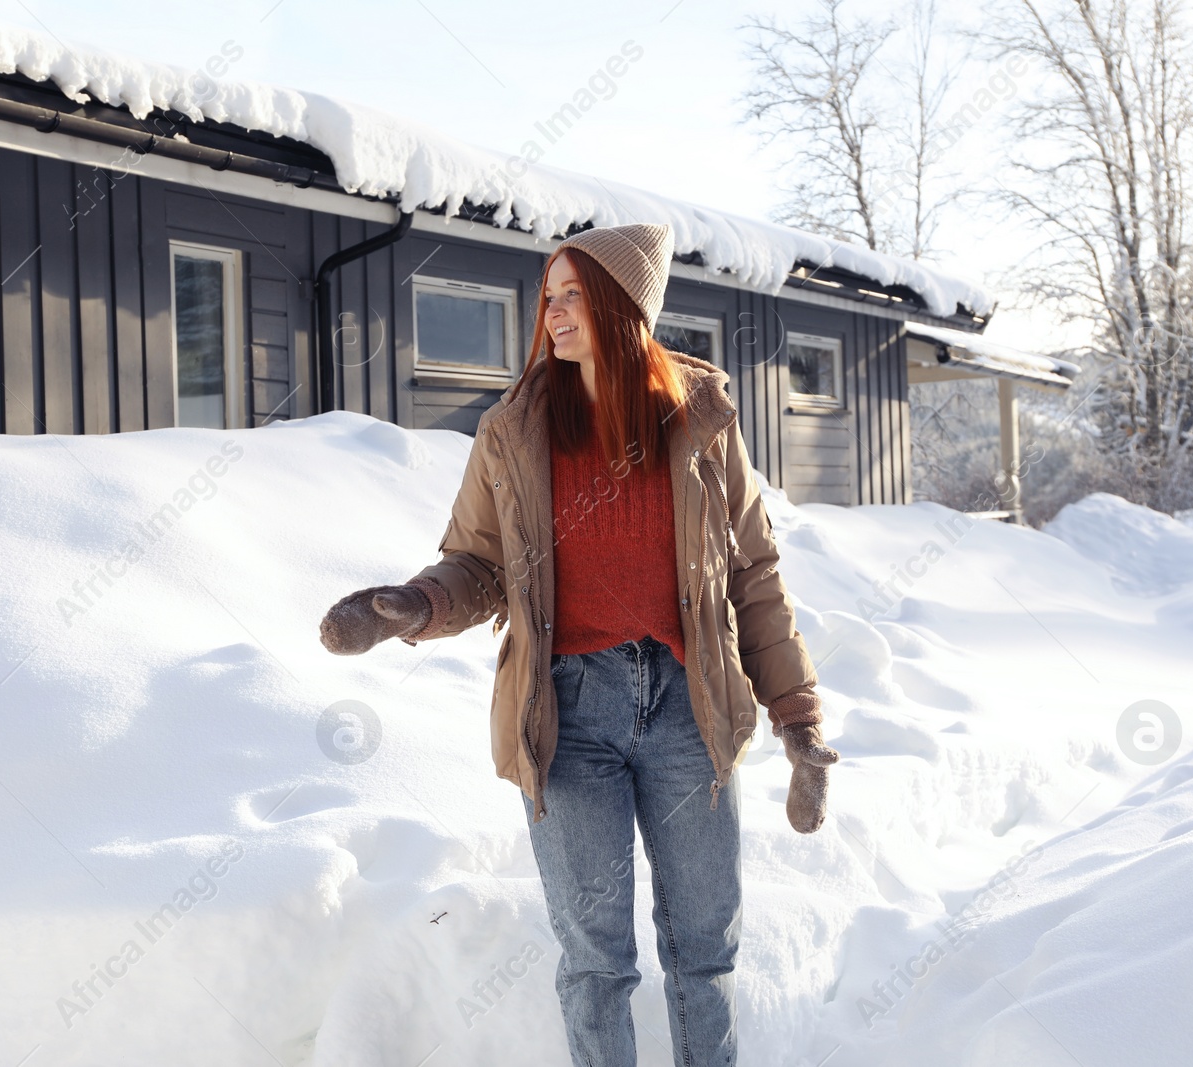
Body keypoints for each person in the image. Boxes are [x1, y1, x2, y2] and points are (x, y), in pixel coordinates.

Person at [319, 222, 839, 1067]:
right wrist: (411, 606)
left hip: (689, 706)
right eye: (548, 296)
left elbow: (753, 572)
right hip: (567, 716)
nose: (553, 314)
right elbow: (477, 563)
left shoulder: (702, 420)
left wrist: (799, 717)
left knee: (705, 952)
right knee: (596, 962)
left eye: (573, 296)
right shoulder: (515, 429)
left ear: (622, 307)